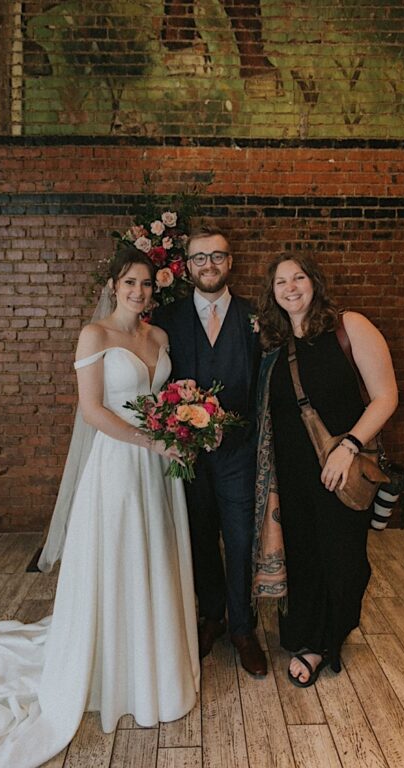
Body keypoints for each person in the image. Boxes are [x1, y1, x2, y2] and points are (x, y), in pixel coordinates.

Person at [0, 248, 199, 767]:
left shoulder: (158, 338)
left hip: (160, 469)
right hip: (118, 464)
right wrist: (152, 442)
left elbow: (163, 401)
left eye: (147, 285)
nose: (139, 292)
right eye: (130, 283)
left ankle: (153, 661)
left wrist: (180, 427)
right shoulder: (96, 336)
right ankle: (115, 668)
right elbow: (92, 411)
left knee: (154, 557)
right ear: (114, 286)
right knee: (119, 558)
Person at [251, 254, 397, 686]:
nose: (291, 287)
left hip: (340, 468)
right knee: (304, 558)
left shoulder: (349, 326)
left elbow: (386, 397)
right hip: (291, 474)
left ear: (314, 283)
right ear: (272, 292)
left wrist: (348, 447)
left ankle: (333, 632)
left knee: (345, 560)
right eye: (281, 281)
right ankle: (310, 642)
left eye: (299, 277)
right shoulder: (272, 343)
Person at [150, 226, 266, 677]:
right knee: (199, 537)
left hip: (240, 454)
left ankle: (242, 626)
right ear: (187, 266)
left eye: (218, 256)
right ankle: (211, 616)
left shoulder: (256, 317)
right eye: (200, 258)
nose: (209, 265)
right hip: (189, 457)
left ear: (230, 262)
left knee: (239, 541)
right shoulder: (166, 319)